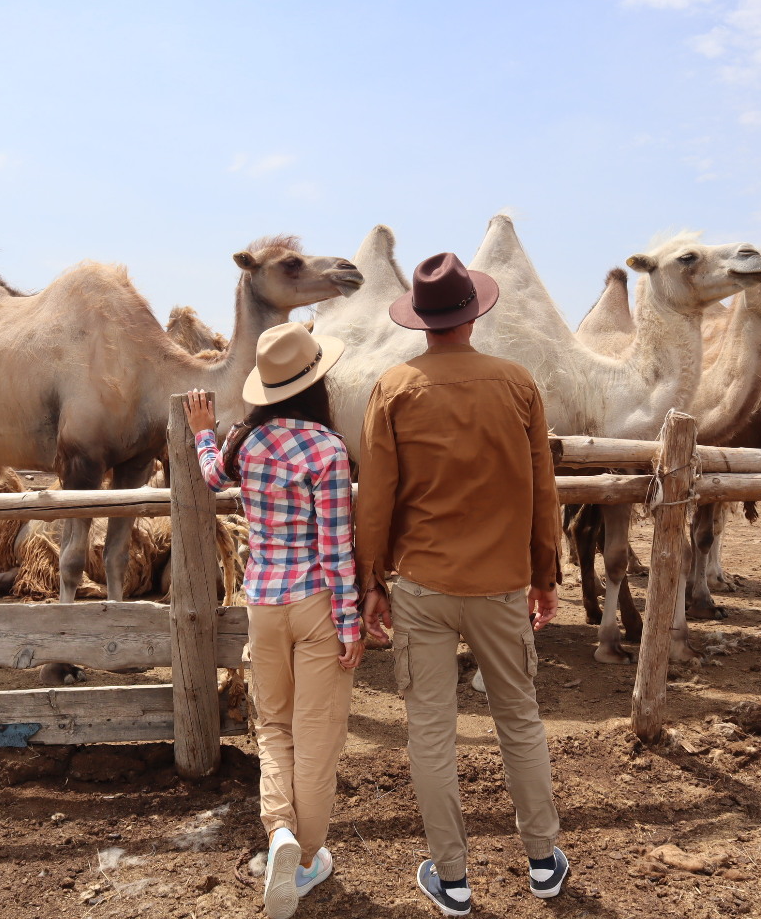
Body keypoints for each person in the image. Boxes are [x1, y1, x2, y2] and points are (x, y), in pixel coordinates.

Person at [354, 252, 568, 916]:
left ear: (422, 323)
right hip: (502, 587)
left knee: (430, 733)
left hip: (421, 586)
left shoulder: (393, 387)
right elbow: (542, 490)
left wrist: (372, 581)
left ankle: (452, 880)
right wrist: (544, 574)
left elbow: (378, 499)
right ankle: (542, 862)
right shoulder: (518, 384)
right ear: (472, 315)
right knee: (520, 721)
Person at [185, 321, 363, 919]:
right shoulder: (328, 451)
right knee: (318, 735)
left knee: (274, 726)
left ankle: (278, 832)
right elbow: (337, 548)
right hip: (315, 602)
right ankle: (308, 857)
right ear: (316, 382)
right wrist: (351, 623)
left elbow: (213, 476)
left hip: (263, 602)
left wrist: (202, 434)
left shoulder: (247, 443)